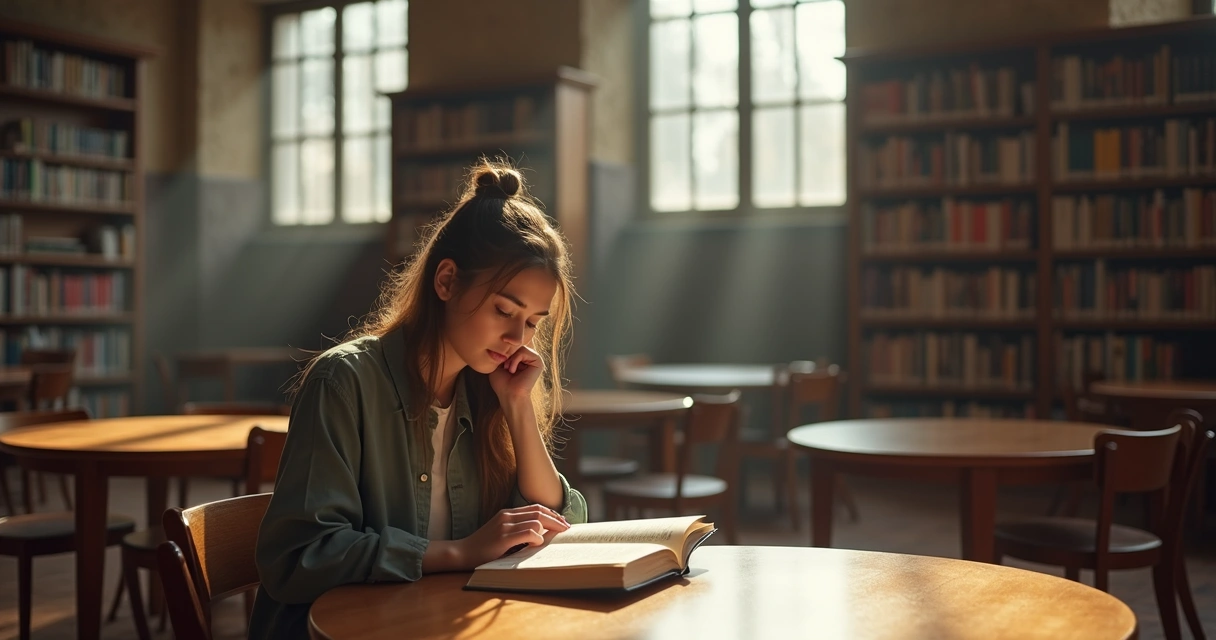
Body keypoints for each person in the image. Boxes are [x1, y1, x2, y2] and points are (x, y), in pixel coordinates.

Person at [248, 160, 588, 638]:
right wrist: (463, 551)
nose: (517, 336)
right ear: (446, 281)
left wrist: (516, 407)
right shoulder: (343, 382)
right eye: (503, 310)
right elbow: (301, 556)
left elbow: (560, 519)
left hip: (434, 623)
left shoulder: (488, 388)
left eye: (532, 322)